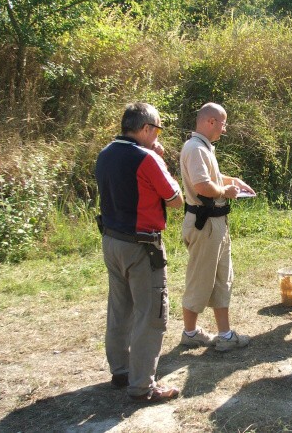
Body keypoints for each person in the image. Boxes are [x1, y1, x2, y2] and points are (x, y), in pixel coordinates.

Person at [95, 102, 184, 402]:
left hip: (111, 241)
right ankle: (143, 385)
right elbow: (175, 199)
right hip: (142, 246)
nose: (158, 136)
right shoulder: (147, 158)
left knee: (120, 309)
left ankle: (120, 371)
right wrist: (160, 160)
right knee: (151, 314)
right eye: (157, 129)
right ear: (146, 129)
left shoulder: (104, 154)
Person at [179, 102, 256, 352]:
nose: (224, 129)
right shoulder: (195, 148)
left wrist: (233, 181)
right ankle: (190, 334)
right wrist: (226, 191)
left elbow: (211, 178)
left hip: (216, 223)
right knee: (200, 280)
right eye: (223, 123)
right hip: (205, 225)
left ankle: (225, 335)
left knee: (223, 279)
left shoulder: (203, 147)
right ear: (210, 121)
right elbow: (202, 186)